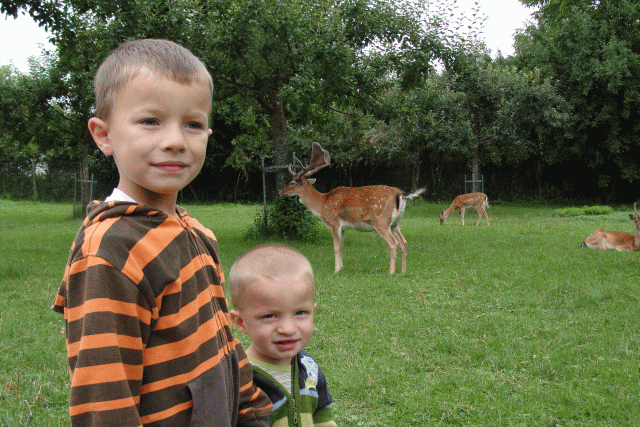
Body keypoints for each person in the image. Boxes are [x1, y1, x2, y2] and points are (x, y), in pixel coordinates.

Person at [52, 39, 272, 426]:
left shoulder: (194, 231)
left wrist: (252, 411)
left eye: (193, 124)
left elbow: (222, 340)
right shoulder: (111, 252)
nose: (175, 141)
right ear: (103, 135)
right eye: (150, 121)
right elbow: (105, 399)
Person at [228, 243, 337, 427]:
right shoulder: (240, 379)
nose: (287, 328)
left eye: (300, 313)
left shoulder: (309, 368)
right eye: (270, 316)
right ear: (240, 322)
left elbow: (322, 414)